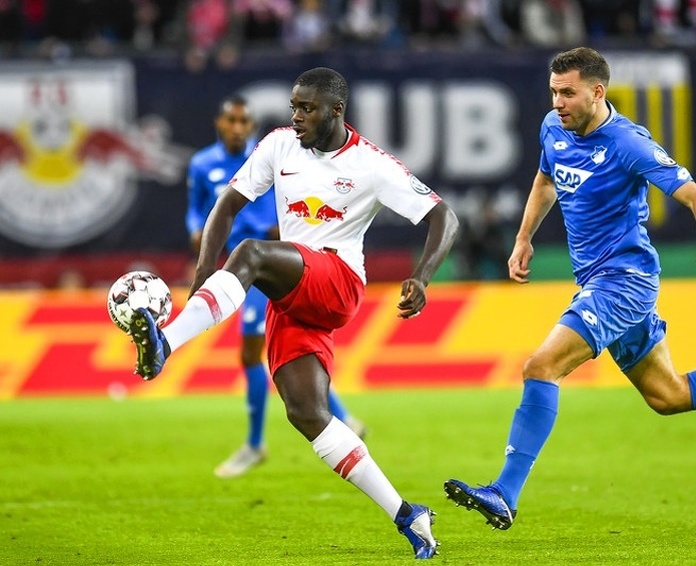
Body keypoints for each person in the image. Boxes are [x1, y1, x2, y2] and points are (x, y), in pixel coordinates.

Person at [443, 46, 696, 532]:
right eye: (553, 92)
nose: (557, 102)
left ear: (598, 91)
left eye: (567, 93)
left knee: (540, 366)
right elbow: (546, 179)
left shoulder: (629, 144)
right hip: (597, 281)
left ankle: (504, 492)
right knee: (668, 395)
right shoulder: (554, 127)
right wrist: (524, 237)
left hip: (624, 282)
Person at [129, 67, 458, 559]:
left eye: (307, 108)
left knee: (252, 255)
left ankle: (166, 344)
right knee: (307, 413)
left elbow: (443, 216)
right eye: (294, 107)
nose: (297, 116)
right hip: (296, 298)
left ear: (336, 111)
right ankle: (408, 514)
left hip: (337, 282)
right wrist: (202, 276)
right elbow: (225, 206)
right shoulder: (279, 145)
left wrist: (424, 276)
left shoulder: (372, 164)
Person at [186, 94, 366, 479]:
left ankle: (255, 444)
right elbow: (197, 208)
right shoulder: (202, 164)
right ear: (220, 123)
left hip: (274, 265)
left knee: (260, 352)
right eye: (231, 120)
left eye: (244, 122)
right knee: (273, 353)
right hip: (240, 267)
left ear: (251, 126)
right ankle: (343, 418)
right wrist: (195, 232)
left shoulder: (277, 154)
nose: (238, 128)